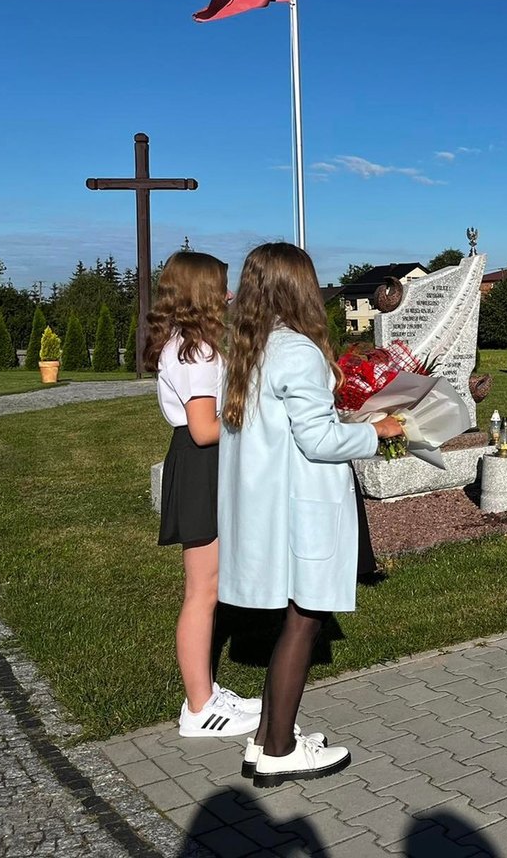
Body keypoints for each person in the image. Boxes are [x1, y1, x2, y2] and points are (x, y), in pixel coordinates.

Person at [218, 243, 404, 786]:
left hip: (270, 506)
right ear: (297, 288)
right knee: (305, 620)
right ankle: (279, 750)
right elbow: (319, 440)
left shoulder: (250, 347)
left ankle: (265, 741)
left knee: (293, 620)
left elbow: (293, 427)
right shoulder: (297, 350)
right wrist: (376, 431)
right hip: (301, 508)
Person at [143, 251, 262, 739]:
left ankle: (207, 692)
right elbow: (204, 430)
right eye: (222, 286)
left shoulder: (185, 344)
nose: (230, 295)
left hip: (198, 463)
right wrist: (256, 412)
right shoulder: (197, 352)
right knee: (202, 591)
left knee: (205, 588)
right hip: (201, 463)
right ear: (201, 293)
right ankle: (199, 708)